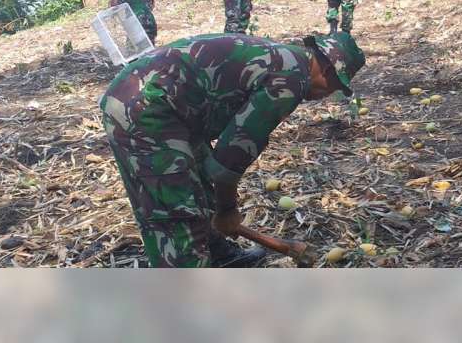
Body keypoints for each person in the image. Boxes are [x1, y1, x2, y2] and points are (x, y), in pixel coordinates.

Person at [99, 31, 366, 268]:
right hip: (146, 108)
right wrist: (227, 210)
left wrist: (220, 206)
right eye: (335, 88)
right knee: (175, 210)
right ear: (329, 72)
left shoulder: (286, 59)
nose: (326, 95)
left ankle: (216, 252)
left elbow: (219, 157)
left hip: (166, 104)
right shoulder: (290, 79)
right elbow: (230, 157)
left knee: (200, 184)